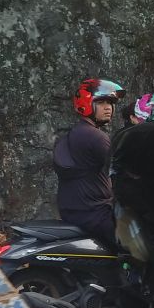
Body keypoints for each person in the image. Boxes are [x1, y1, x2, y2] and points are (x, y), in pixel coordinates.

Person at [53, 78, 125, 245]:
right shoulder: (95, 137)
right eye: (101, 102)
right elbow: (122, 169)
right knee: (141, 245)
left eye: (111, 103)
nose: (108, 107)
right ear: (86, 104)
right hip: (95, 213)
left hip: (75, 210)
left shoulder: (75, 133)